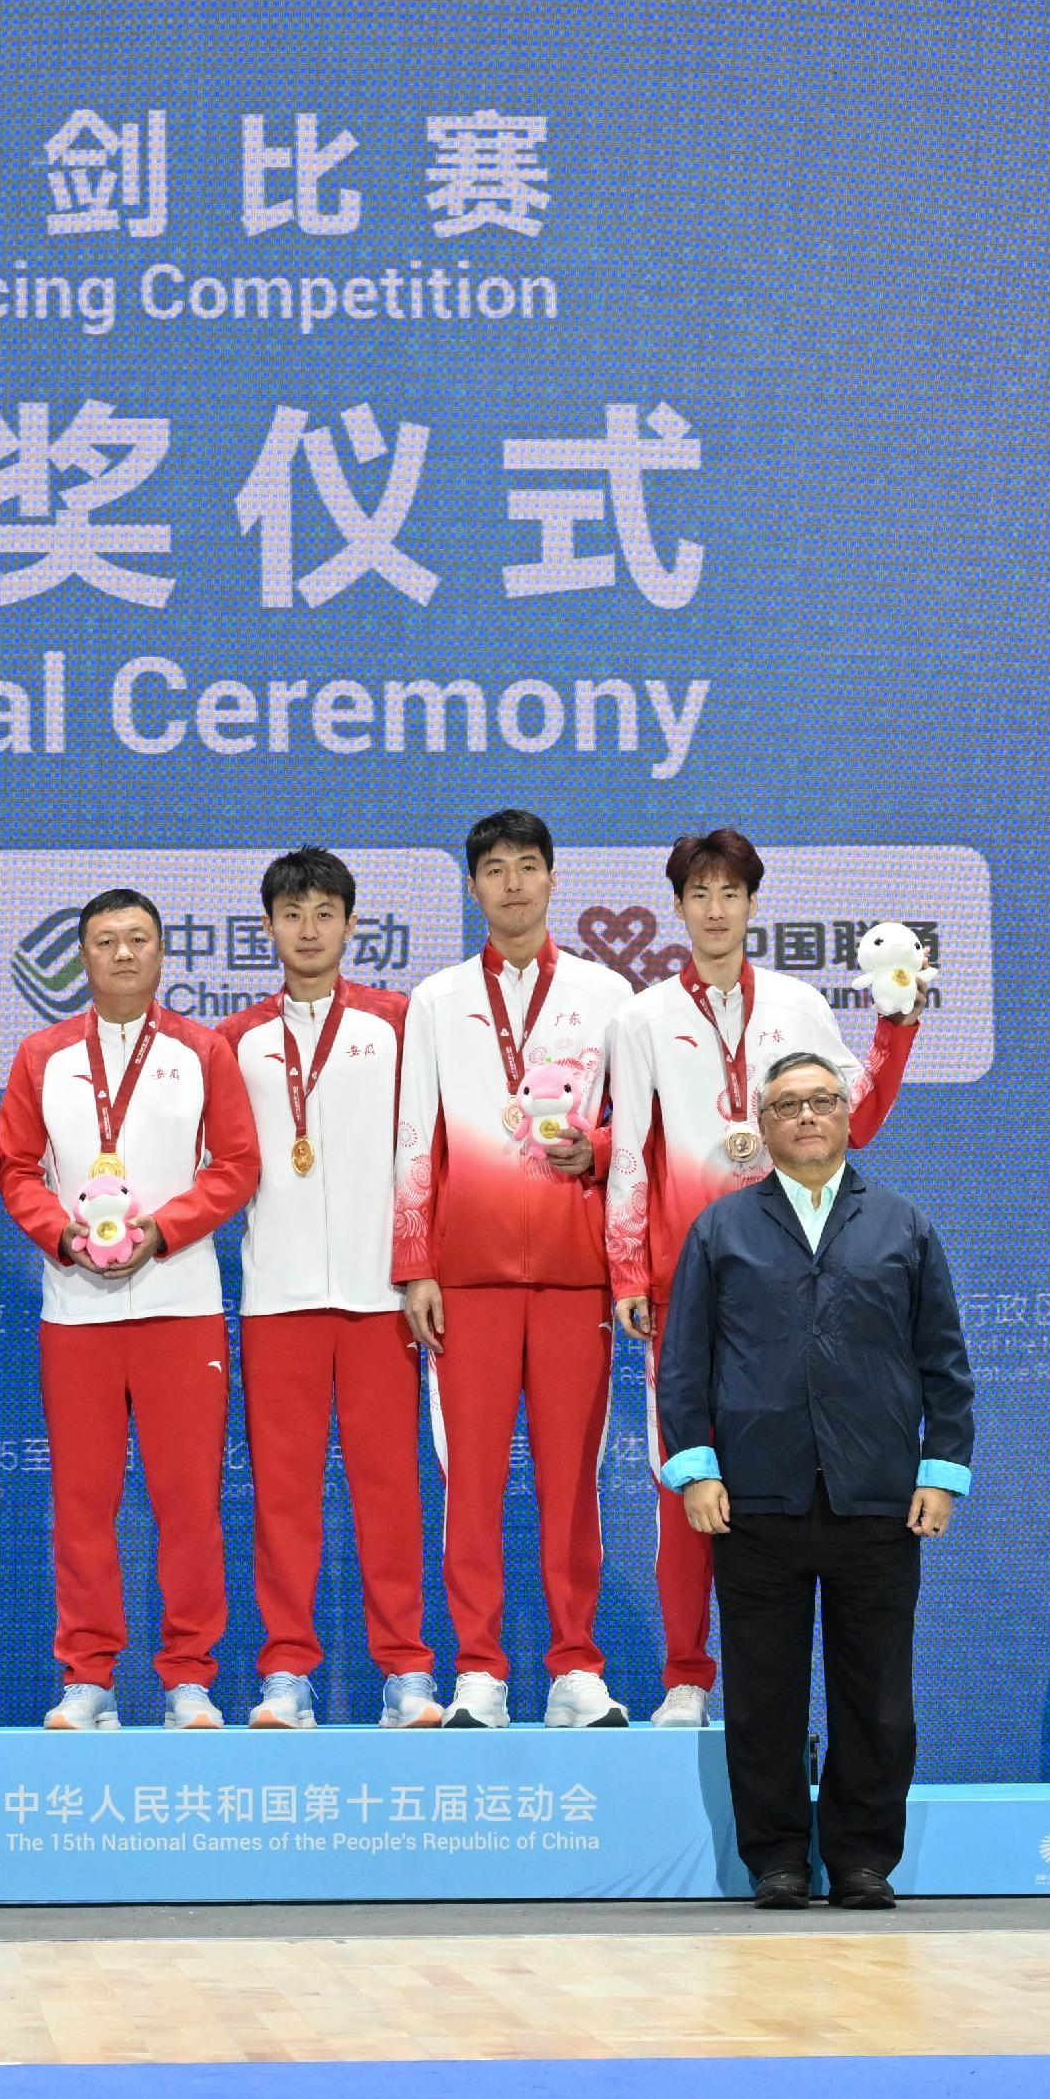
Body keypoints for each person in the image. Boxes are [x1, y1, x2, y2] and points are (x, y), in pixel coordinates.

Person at [601, 829, 922, 1727]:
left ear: (752, 904)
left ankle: (784, 1698)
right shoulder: (640, 1019)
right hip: (691, 1282)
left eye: (729, 892)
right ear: (679, 908)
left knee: (793, 1483)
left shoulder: (798, 1005)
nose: (714, 908)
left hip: (800, 1274)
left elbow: (856, 1121)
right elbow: (630, 1150)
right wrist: (629, 1265)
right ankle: (685, 1678)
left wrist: (896, 1025)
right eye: (698, 892)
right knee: (686, 1484)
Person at [657, 1051, 971, 1912]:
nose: (806, 1116)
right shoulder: (722, 1230)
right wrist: (695, 1470)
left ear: (844, 1117)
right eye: (787, 1105)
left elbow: (944, 1363)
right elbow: (683, 1367)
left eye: (822, 1101)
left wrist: (940, 1473)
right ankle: (779, 1861)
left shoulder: (901, 1225)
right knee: (763, 1697)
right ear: (761, 1126)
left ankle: (864, 1859)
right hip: (755, 1501)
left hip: (876, 1497)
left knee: (877, 1696)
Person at [0, 887, 260, 1731]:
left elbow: (238, 1165)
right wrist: (61, 1236)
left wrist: (166, 1229)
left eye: (138, 939)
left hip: (180, 1306)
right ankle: (88, 1679)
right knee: (82, 1504)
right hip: (77, 1311)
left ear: (160, 953)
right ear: (83, 957)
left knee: (188, 1503)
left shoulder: (201, 1049)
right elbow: (14, 1169)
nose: (121, 954)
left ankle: (189, 1679)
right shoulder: (42, 1054)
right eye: (104, 941)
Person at [394, 808, 634, 1729]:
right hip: (469, 1282)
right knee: (473, 1481)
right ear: (473, 886)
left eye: (528, 866)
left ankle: (576, 1667)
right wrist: (416, 1265)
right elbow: (418, 1135)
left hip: (577, 1279)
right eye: (494, 869)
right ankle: (481, 1672)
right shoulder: (438, 998)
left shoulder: (609, 993)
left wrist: (600, 1149)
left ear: (553, 878)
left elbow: (639, 1128)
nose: (513, 884)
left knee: (573, 1480)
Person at [217, 847, 437, 1729]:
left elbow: (424, 1154)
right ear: (267, 929)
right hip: (278, 1298)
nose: (308, 931)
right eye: (291, 915)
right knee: (283, 1493)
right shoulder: (235, 1041)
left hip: (381, 1297)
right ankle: (286, 1675)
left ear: (353, 927)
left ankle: (408, 1673)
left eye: (324, 914)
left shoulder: (396, 1023)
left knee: (391, 1489)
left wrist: (418, 1266)